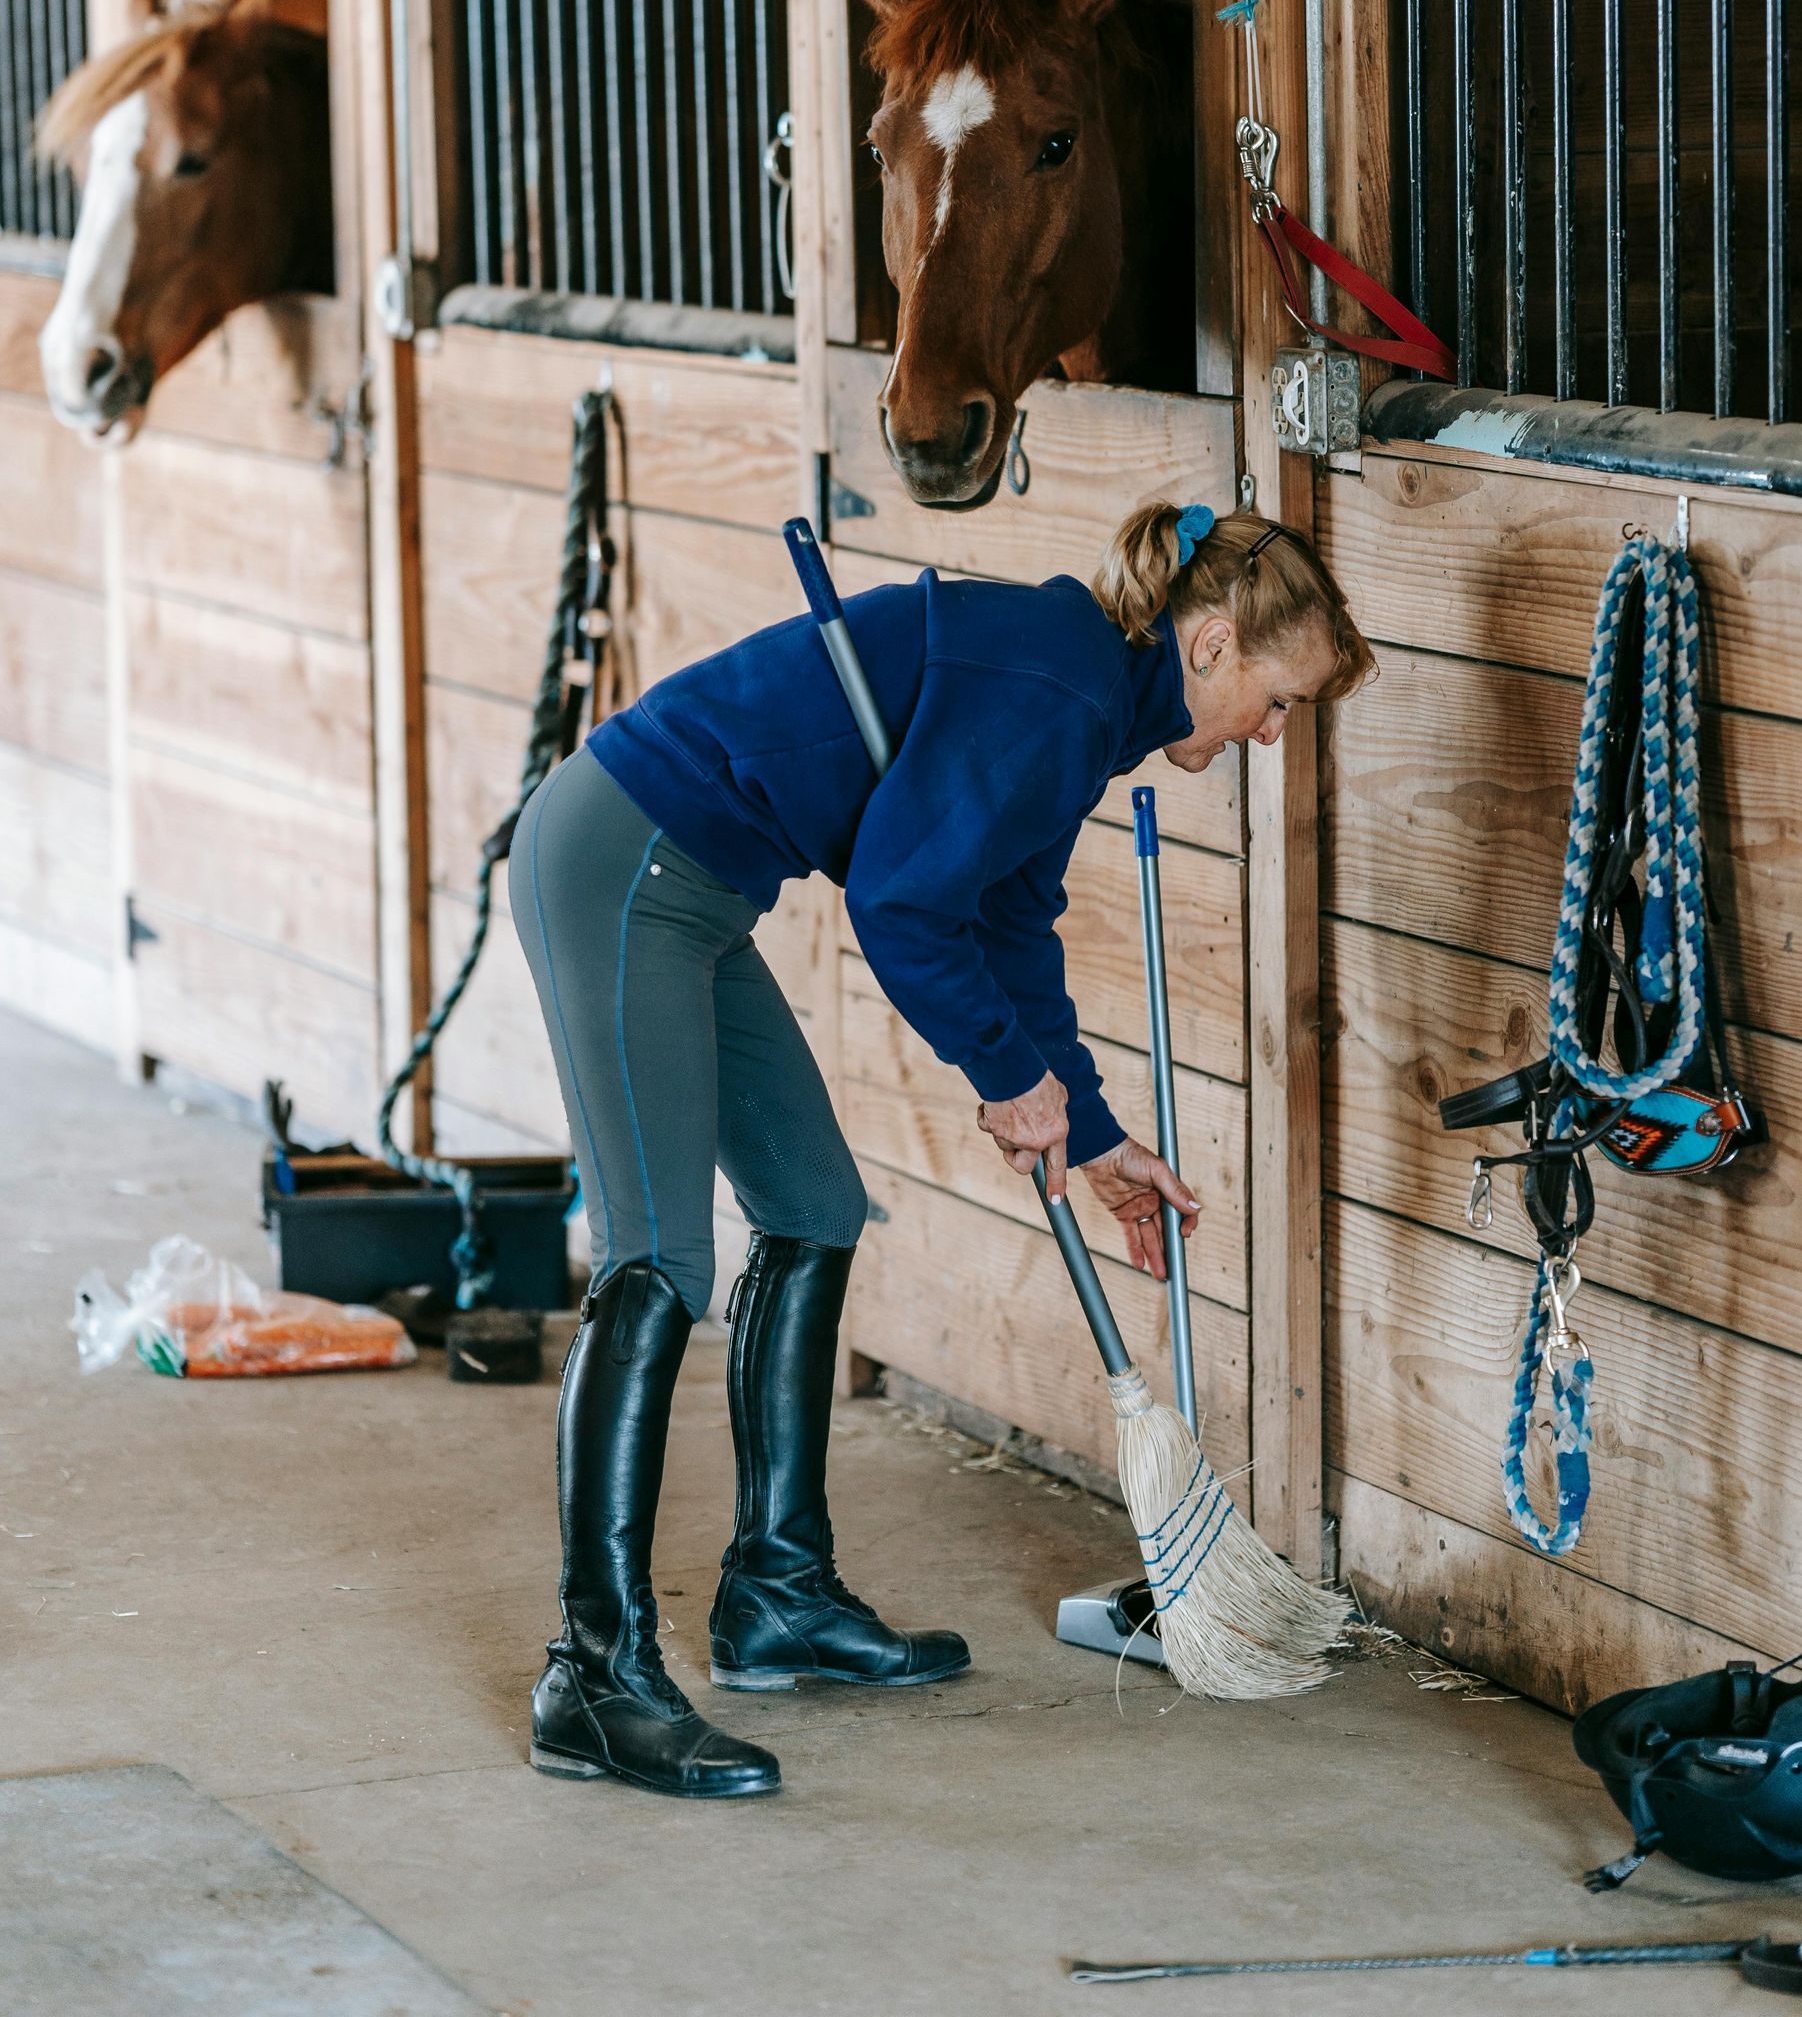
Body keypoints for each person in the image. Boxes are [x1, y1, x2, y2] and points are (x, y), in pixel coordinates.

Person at [507, 496, 1374, 1801]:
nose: (1271, 731)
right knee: (658, 1261)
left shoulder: (1081, 700)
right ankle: (595, 1673)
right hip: (623, 857)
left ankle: (779, 1598)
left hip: (694, 889)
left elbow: (1005, 924)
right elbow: (903, 904)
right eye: (1275, 697)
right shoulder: (1060, 686)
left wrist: (1086, 1133)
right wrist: (1006, 1078)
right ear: (1208, 646)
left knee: (812, 1207)